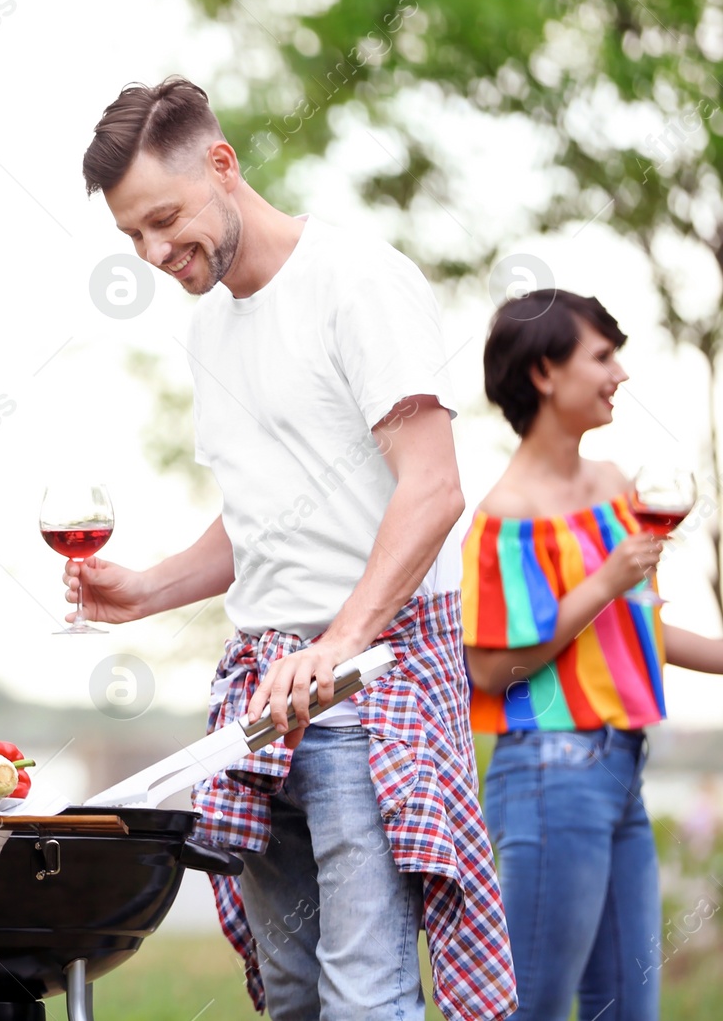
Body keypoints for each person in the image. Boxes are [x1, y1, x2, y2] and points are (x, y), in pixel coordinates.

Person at [75, 75, 515, 1019]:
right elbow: (262, 520)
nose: (155, 252)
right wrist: (145, 589)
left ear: (222, 166)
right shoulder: (210, 332)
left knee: (368, 995)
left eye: (164, 219)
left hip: (368, 689)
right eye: (132, 238)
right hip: (266, 698)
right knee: (292, 995)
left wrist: (340, 643)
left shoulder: (358, 281)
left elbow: (433, 486)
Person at [463, 289, 723, 1020]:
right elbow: (492, 670)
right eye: (603, 356)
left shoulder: (615, 489)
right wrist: (606, 580)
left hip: (620, 770)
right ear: (545, 373)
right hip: (549, 772)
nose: (621, 374)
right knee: (535, 1008)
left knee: (628, 1010)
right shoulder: (503, 516)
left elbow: (641, 633)